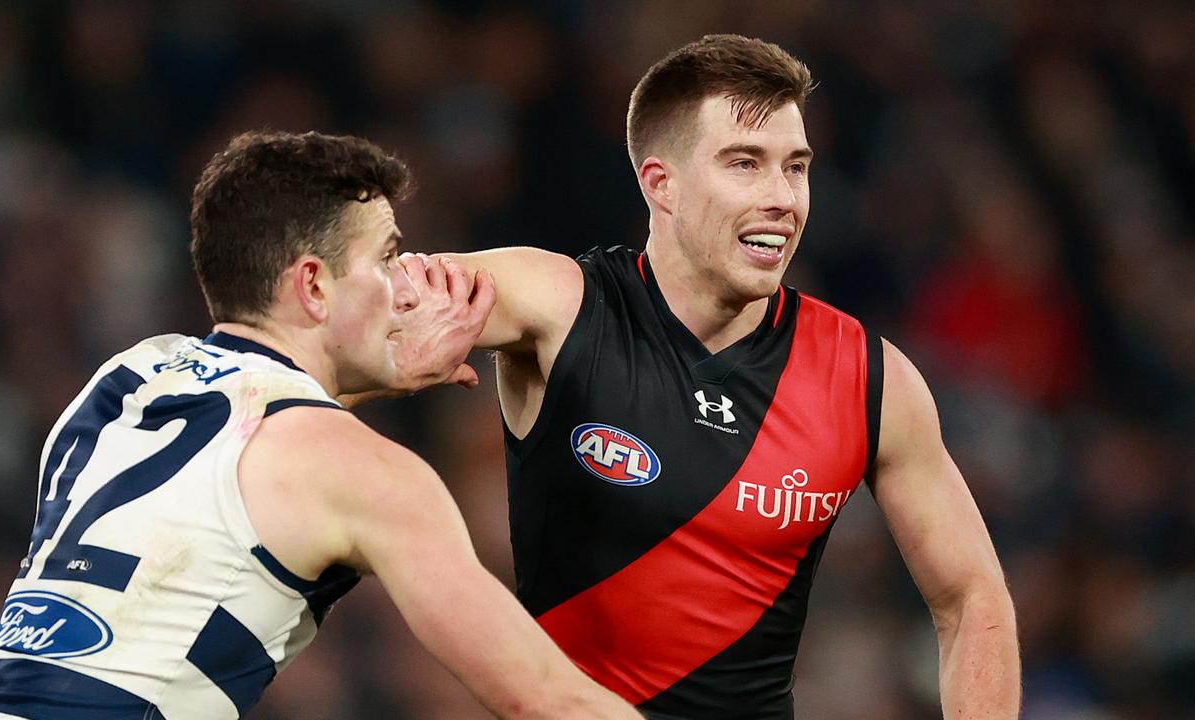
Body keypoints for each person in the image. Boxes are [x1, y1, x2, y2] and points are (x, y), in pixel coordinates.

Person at [0, 131, 642, 720]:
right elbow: (547, 700)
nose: (407, 283)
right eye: (385, 258)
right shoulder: (367, 475)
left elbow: (261, 449)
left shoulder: (125, 378)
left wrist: (380, 374)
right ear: (313, 286)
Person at [434, 35, 1021, 718]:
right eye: (745, 164)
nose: (783, 198)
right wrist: (395, 338)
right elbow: (385, 297)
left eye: (795, 168)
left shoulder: (867, 376)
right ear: (662, 183)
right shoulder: (564, 306)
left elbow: (973, 598)